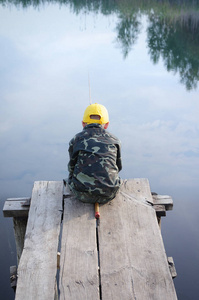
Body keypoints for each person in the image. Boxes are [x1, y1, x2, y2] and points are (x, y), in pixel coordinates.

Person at [67, 103, 122, 204]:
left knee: (70, 178)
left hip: (82, 194)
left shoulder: (76, 139)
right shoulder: (115, 140)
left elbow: (71, 167)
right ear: (107, 124)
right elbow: (118, 167)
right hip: (109, 193)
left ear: (83, 123)